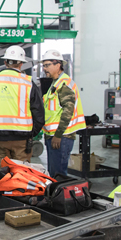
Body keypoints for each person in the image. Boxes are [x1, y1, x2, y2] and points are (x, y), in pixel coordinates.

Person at [0, 45, 44, 172]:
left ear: (5, 62)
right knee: (21, 175)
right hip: (22, 141)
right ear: (21, 64)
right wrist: (31, 134)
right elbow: (39, 114)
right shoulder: (29, 83)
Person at [39, 49, 86, 177]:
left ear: (58, 65)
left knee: (58, 174)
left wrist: (58, 135)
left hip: (61, 136)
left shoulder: (64, 84)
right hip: (53, 135)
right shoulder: (55, 83)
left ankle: (60, 190)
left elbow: (67, 111)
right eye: (43, 65)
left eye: (47, 65)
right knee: (54, 173)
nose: (44, 68)